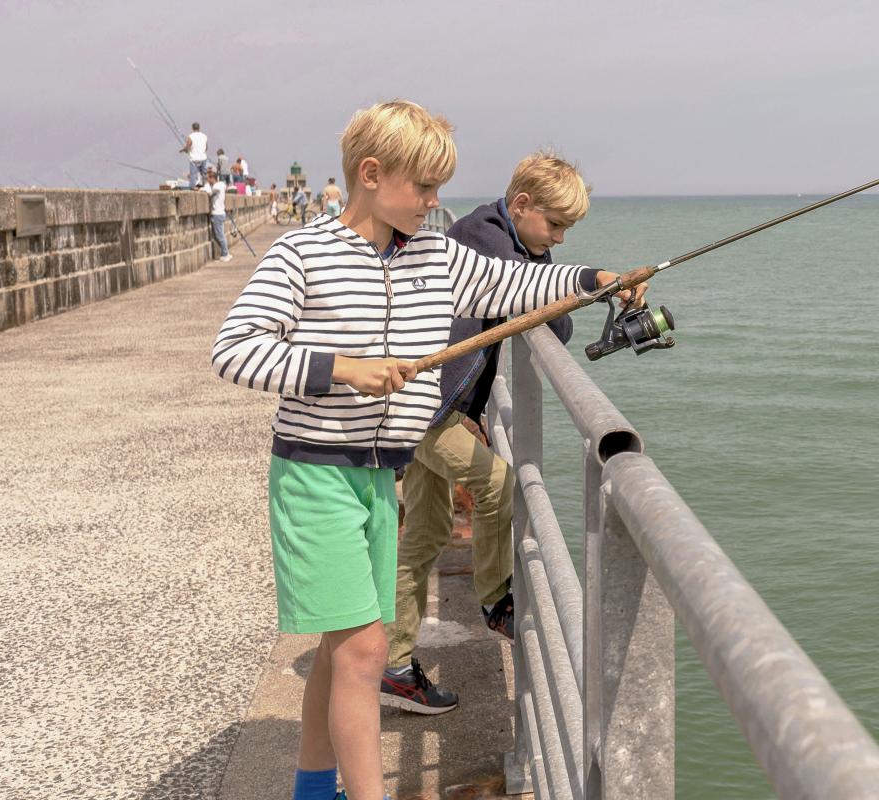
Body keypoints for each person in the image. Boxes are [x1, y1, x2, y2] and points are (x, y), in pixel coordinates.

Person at [209, 101, 640, 800]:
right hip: (315, 475)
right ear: (371, 175)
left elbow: (514, 284)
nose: (435, 202)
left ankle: (313, 791)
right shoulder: (302, 254)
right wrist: (342, 368)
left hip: (383, 476)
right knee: (364, 651)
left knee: (341, 651)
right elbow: (235, 350)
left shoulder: (436, 256)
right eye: (424, 187)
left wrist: (594, 281)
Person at [382, 149, 610, 714]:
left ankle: (393, 666)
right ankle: (495, 599)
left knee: (425, 534)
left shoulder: (506, 241)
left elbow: (552, 317)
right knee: (498, 483)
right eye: (554, 225)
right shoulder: (484, 238)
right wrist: (555, 276)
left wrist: (545, 263)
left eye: (566, 230)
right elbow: (545, 311)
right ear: (521, 205)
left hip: (435, 408)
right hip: (425, 410)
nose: (559, 238)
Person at [203, 172, 231, 262]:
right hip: (221, 212)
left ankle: (225, 254)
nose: (207, 180)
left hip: (217, 214)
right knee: (220, 235)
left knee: (219, 236)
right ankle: (225, 253)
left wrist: (205, 188)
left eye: (208, 178)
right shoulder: (222, 185)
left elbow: (210, 194)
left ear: (212, 178)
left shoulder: (217, 186)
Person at [181, 122, 208, 187]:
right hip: (203, 158)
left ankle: (193, 187)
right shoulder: (204, 136)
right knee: (204, 174)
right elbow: (206, 147)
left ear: (192, 128)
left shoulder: (191, 136)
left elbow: (188, 146)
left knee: (193, 174)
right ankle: (205, 186)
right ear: (199, 128)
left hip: (194, 159)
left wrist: (184, 150)